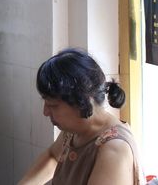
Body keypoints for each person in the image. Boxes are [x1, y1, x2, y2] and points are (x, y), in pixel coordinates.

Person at [17, 48, 146, 185]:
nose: (45, 112)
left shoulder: (114, 150)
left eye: (53, 105)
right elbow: (53, 157)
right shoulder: (75, 130)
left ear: (83, 101)